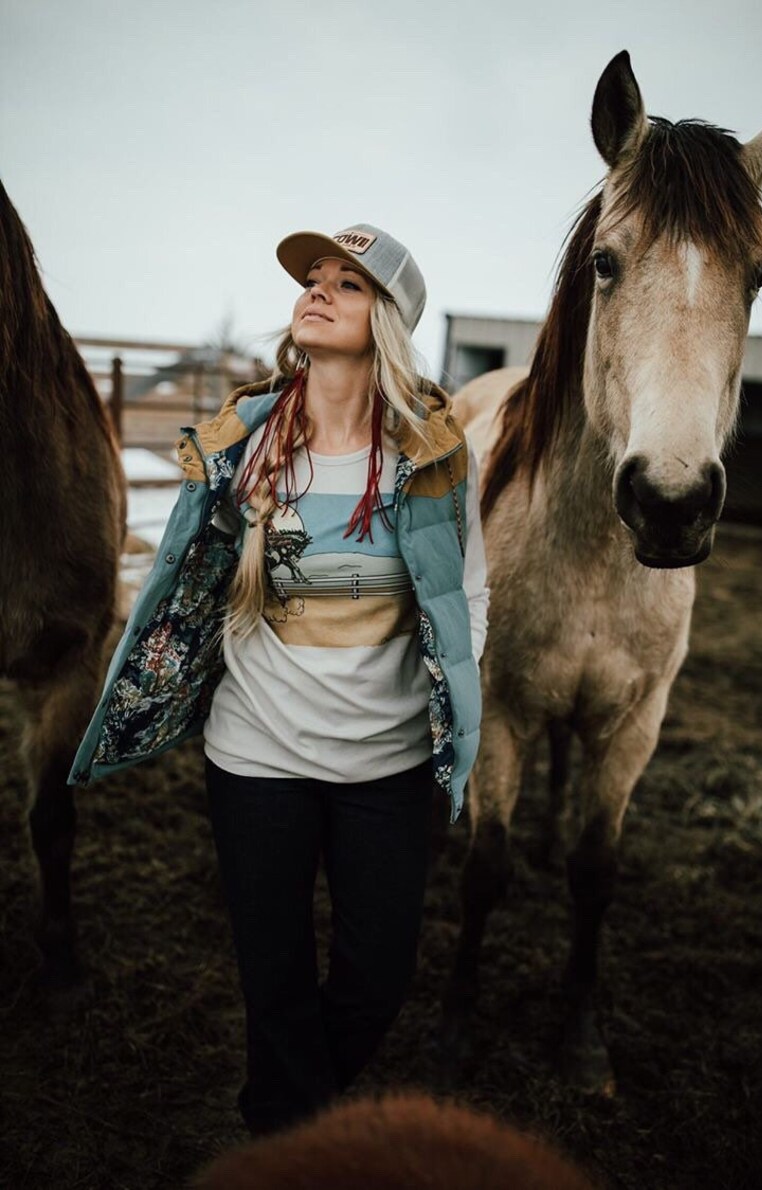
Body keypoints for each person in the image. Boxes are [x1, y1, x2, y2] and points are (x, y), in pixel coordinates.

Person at [69, 222, 488, 1135]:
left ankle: (286, 1107)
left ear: (387, 318)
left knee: (378, 979)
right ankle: (283, 1140)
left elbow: (472, 590)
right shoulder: (245, 441)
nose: (318, 290)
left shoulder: (433, 453)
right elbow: (188, 574)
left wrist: (452, 703)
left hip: (385, 765)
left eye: (349, 282)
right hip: (255, 758)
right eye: (312, 278)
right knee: (275, 977)